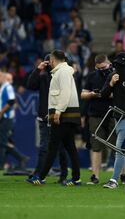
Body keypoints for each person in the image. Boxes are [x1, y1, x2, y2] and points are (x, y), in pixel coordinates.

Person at [27, 50, 81, 186]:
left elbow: (65, 93)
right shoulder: (63, 71)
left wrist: (58, 111)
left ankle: (40, 177)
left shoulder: (62, 72)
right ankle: (76, 178)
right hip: (68, 115)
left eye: (50, 60)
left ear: (52, 60)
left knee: (52, 147)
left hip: (63, 115)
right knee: (70, 147)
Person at [100, 52, 125, 189]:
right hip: (117, 117)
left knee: (120, 149)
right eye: (117, 64)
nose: (118, 67)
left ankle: (114, 180)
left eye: (120, 65)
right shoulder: (113, 76)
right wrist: (111, 84)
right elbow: (103, 94)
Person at [26, 55, 68, 183]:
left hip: (58, 116)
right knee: (45, 147)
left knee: (60, 147)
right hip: (44, 117)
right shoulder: (43, 77)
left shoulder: (62, 77)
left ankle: (63, 174)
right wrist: (38, 69)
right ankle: (38, 174)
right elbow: (30, 85)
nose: (51, 64)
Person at [81, 54, 115, 185]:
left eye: (104, 67)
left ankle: (121, 175)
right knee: (96, 146)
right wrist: (92, 94)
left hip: (113, 114)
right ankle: (95, 176)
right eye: (99, 68)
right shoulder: (91, 76)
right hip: (95, 114)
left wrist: (109, 94)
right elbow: (83, 94)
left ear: (109, 63)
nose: (102, 70)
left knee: (117, 146)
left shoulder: (116, 74)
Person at [0, 71, 16, 170]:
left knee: (3, 141)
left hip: (6, 117)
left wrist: (1, 113)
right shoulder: (3, 88)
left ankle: (21, 157)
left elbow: (11, 101)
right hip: (4, 117)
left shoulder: (8, 87)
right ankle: (1, 164)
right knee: (2, 141)